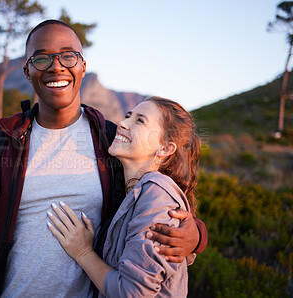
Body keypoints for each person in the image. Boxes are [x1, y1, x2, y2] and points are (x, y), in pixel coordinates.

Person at [0, 20, 207, 297]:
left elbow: (160, 195)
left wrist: (197, 235)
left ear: (82, 66)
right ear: (27, 70)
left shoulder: (112, 140)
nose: (56, 66)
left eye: (68, 55)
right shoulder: (2, 143)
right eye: (42, 58)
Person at [48, 96, 200, 297]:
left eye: (140, 121)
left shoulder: (157, 195)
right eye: (128, 115)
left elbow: (131, 292)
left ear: (164, 148)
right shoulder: (135, 191)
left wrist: (83, 253)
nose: (122, 123)